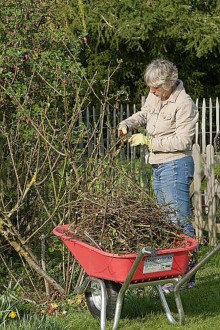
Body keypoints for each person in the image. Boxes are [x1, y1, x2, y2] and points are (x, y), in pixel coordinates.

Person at [118, 59, 198, 291]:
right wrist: (127, 124)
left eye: (155, 88)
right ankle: (171, 274)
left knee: (179, 221)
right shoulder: (156, 96)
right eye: (150, 87)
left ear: (169, 84)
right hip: (158, 166)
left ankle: (187, 277)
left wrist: (150, 141)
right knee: (165, 221)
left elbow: (184, 140)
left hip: (176, 165)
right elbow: (144, 114)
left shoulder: (184, 103)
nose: (151, 92)